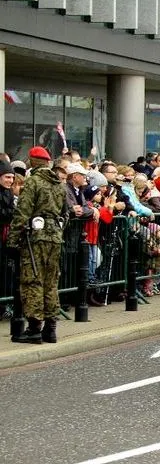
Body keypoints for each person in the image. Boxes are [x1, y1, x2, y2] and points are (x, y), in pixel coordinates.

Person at [7, 146, 67, 344]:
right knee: (51, 282)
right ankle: (50, 329)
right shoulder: (58, 183)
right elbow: (66, 214)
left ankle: (34, 329)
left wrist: (13, 239)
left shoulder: (33, 182)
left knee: (32, 281)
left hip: (36, 238)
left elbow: (22, 212)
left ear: (33, 161)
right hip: (55, 238)